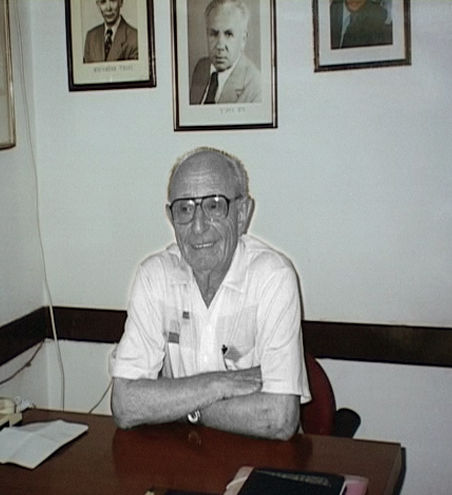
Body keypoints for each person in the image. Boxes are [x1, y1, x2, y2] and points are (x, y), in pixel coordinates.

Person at [109, 148, 311, 441]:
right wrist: (220, 384)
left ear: (242, 214)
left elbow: (278, 419)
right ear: (171, 217)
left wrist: (178, 406)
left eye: (214, 206)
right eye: (185, 209)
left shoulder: (272, 277)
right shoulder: (155, 276)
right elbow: (125, 406)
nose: (198, 226)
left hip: (261, 456)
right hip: (181, 456)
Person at [189, 0, 262, 105]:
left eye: (228, 34)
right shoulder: (201, 67)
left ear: (243, 39)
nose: (220, 46)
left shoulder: (256, 90)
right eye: (214, 34)